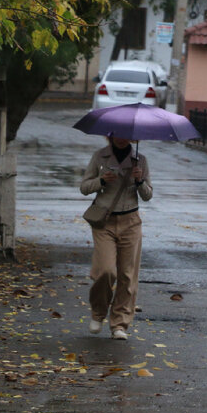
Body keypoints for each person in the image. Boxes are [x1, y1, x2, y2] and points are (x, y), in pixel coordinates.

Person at [79, 134, 152, 340]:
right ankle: (98, 312)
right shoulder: (99, 157)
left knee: (127, 275)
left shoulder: (141, 160)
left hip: (131, 222)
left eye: (126, 134)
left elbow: (148, 195)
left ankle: (119, 324)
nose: (122, 138)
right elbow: (84, 187)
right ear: (109, 135)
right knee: (105, 271)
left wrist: (139, 181)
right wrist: (101, 180)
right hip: (105, 222)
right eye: (117, 133)